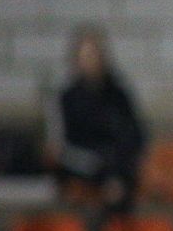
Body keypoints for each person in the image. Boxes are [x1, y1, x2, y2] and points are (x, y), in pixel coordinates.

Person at [55, 25, 148, 213]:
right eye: (86, 55)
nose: (92, 61)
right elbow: (65, 146)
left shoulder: (118, 95)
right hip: (83, 166)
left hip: (117, 166)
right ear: (76, 60)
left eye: (96, 54)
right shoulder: (68, 98)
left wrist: (118, 171)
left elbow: (134, 135)